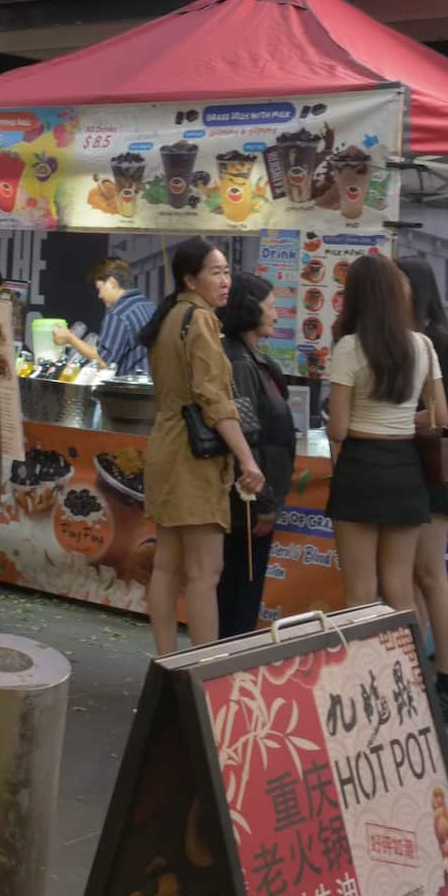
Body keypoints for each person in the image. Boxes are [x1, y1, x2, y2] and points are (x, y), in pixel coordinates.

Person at [143, 239, 264, 655]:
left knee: (166, 567)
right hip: (195, 458)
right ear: (189, 278)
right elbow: (214, 399)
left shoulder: (170, 316)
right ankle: (203, 669)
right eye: (216, 272)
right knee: (204, 573)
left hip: (165, 445)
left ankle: (165, 660)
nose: (226, 280)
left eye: (227, 271)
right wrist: (247, 458)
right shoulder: (201, 321)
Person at [326, 253, 448, 614]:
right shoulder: (423, 345)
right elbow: (439, 416)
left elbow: (338, 428)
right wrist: (399, 421)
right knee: (400, 589)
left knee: (359, 592)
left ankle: (363, 671)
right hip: (406, 470)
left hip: (360, 469)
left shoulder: (348, 347)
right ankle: (407, 669)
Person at [399, 255, 448, 724]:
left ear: (415, 288)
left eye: (398, 284)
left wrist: (394, 423)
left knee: (429, 576)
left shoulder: (443, 343)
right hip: (406, 471)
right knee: (411, 578)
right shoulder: (407, 342)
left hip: (431, 473)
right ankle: (416, 678)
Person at [217, 273, 296, 637]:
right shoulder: (241, 364)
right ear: (250, 309)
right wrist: (262, 502)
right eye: (271, 307)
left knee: (243, 590)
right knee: (239, 592)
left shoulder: (254, 359)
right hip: (246, 502)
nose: (277, 316)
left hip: (255, 496)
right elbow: (247, 437)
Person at [66, 259, 156, 375]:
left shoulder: (118, 313)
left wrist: (70, 338)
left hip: (131, 389)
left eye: (100, 289)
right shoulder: (149, 306)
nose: (100, 296)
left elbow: (103, 362)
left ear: (112, 283)